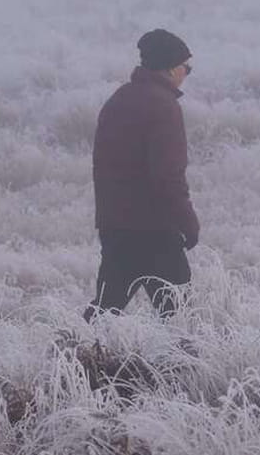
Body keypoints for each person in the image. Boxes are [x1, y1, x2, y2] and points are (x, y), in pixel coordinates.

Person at [85, 29, 200, 320]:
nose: (187, 73)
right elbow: (168, 176)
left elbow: (104, 166)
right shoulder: (164, 107)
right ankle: (179, 367)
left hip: (115, 227)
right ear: (172, 68)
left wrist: (110, 221)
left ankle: (65, 360)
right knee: (180, 316)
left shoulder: (118, 100)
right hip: (154, 231)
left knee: (104, 310)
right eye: (187, 67)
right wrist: (188, 223)